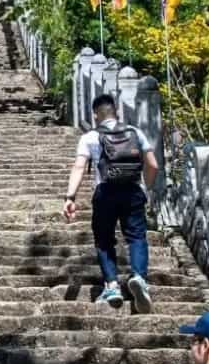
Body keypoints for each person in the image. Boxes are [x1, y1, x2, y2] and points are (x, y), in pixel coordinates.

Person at [63, 93, 159, 311]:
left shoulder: (89, 137)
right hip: (134, 190)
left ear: (95, 115)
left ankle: (112, 285)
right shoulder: (135, 132)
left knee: (104, 240)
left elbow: (79, 167)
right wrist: (148, 189)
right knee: (136, 236)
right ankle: (139, 278)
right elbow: (153, 165)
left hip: (104, 191)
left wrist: (70, 198)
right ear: (116, 111)